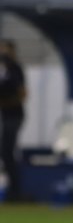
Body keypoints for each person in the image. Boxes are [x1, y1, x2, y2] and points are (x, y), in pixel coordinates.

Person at [0, 39, 26, 202]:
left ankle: (15, 191)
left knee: (7, 151)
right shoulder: (3, 70)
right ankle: (12, 189)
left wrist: (6, 101)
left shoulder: (15, 70)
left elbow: (22, 94)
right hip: (6, 116)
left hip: (14, 115)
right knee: (5, 152)